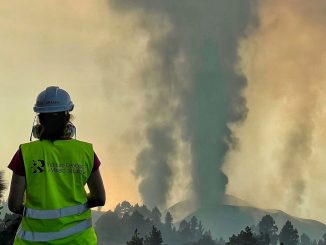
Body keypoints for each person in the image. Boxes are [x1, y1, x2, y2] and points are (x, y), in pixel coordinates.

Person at [8, 86, 106, 244]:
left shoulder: (25, 153)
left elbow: (14, 204)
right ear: (68, 118)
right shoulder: (86, 152)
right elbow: (100, 198)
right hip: (79, 241)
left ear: (39, 119)